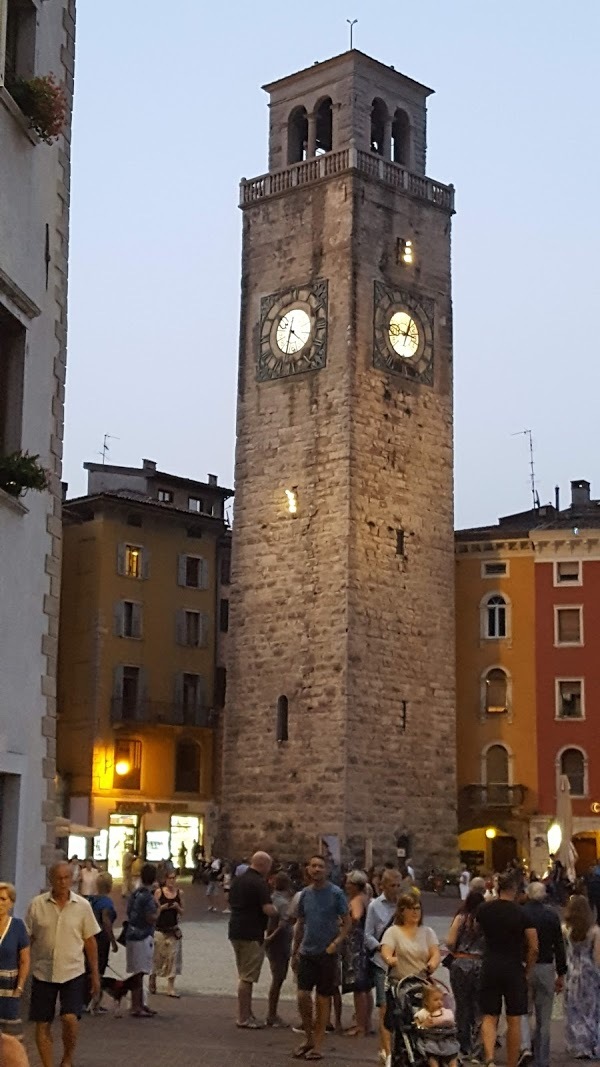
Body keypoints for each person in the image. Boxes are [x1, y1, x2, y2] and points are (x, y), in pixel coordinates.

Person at [25, 861, 100, 1067]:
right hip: (43, 971)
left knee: (70, 1018)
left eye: (67, 877)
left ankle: (67, 1058)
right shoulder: (37, 905)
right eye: (58, 878)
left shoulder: (83, 906)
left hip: (73, 971)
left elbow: (90, 941)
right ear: (51, 880)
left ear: (73, 880)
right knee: (42, 1022)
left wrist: (95, 974)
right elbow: (27, 939)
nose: (63, 882)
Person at [291, 854, 351, 1060]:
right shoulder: (305, 895)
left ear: (327, 870)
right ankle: (308, 1037)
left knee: (323, 999)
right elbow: (300, 923)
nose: (316, 869)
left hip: (326, 953)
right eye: (313, 866)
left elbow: (347, 922)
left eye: (320, 866)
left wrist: (336, 943)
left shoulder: (336, 893)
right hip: (307, 952)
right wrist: (295, 950)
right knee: (302, 996)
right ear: (308, 869)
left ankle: (317, 1044)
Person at [476, 871, 538, 1067]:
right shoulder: (523, 913)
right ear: (515, 889)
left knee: (489, 1014)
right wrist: (527, 969)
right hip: (513, 966)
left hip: (490, 963)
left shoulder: (484, 909)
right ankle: (511, 1062)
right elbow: (534, 946)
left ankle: (489, 1058)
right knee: (514, 1019)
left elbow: (477, 933)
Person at [517, 881, 566, 1067]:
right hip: (546, 966)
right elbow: (559, 945)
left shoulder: (520, 913)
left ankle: (525, 1048)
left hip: (524, 965)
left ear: (528, 894)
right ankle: (542, 1058)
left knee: (523, 1011)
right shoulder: (551, 915)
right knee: (544, 1017)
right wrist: (561, 973)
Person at [228, 851, 276, 1028]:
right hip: (252, 931)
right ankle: (243, 1017)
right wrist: (280, 911)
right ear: (263, 865)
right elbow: (267, 909)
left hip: (235, 929)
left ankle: (247, 1012)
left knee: (243, 974)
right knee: (247, 977)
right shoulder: (259, 883)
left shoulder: (238, 880)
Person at [365, 867, 401, 1064]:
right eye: (392, 885)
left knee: (403, 1006)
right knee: (385, 1007)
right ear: (383, 886)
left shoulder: (404, 905)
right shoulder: (374, 906)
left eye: (398, 885)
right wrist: (380, 947)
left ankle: (400, 1047)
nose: (395, 889)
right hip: (382, 963)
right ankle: (385, 1050)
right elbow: (367, 934)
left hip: (404, 962)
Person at [445, 889, 484, 1061]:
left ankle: (463, 1045)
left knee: (462, 1006)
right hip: (481, 964)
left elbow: (451, 942)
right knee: (479, 1007)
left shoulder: (461, 918)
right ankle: (479, 1047)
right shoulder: (485, 921)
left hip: (461, 964)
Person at [563, 894, 600, 1059]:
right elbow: (597, 956)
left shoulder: (566, 929)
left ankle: (578, 1045)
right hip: (589, 974)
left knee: (574, 1010)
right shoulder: (594, 931)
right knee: (591, 1010)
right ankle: (592, 1043)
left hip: (572, 973)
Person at [341, 869, 372, 1038]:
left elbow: (356, 917)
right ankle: (365, 1022)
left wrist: (345, 921)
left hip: (355, 946)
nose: (346, 886)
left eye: (348, 883)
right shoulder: (366, 898)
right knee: (365, 987)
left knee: (358, 987)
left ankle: (360, 1025)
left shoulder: (357, 900)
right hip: (363, 945)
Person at [381, 893, 440, 982]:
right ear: (402, 911)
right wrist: (389, 959)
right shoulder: (392, 931)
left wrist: (433, 964)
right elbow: (386, 951)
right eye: (410, 908)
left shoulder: (428, 932)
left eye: (417, 908)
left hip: (422, 981)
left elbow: (435, 953)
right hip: (399, 982)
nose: (415, 912)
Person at [125, 863, 159, 1017]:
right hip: (143, 935)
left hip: (132, 933)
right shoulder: (147, 896)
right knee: (140, 972)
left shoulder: (136, 893)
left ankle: (139, 1003)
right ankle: (136, 1005)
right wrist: (159, 912)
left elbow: (128, 911)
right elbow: (150, 917)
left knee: (138, 971)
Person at [0, 883, 30, 1039]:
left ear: (11, 903)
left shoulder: (17, 926)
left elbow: (25, 960)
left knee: (10, 1038)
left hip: (9, 990)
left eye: (3, 899)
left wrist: (19, 987)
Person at [264, 870, 293, 1027]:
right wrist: (271, 937)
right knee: (278, 978)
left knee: (278, 978)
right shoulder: (283, 903)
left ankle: (272, 1013)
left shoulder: (271, 899)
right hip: (280, 943)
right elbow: (283, 924)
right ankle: (272, 1014)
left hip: (274, 943)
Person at [149, 870, 184, 998]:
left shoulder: (179, 893)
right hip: (159, 930)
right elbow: (153, 910)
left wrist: (177, 907)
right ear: (165, 879)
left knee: (173, 958)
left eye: (174, 878)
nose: (172, 881)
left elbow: (183, 912)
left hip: (173, 930)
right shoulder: (159, 892)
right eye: (170, 878)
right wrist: (162, 908)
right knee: (157, 958)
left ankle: (171, 987)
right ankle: (152, 979)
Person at [86, 872, 118, 1009]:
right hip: (101, 938)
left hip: (90, 935)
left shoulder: (92, 900)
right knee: (99, 969)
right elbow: (106, 922)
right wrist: (113, 941)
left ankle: (86, 1000)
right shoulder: (106, 902)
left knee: (88, 966)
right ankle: (95, 1001)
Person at [414, 983, 460, 1067]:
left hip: (446, 1038)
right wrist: (424, 1024)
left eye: (441, 1000)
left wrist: (451, 1023)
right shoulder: (423, 1013)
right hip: (430, 1039)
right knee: (431, 1056)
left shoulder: (445, 1012)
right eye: (436, 1000)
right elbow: (417, 1025)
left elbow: (451, 1022)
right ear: (427, 1002)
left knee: (453, 1054)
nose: (439, 1002)